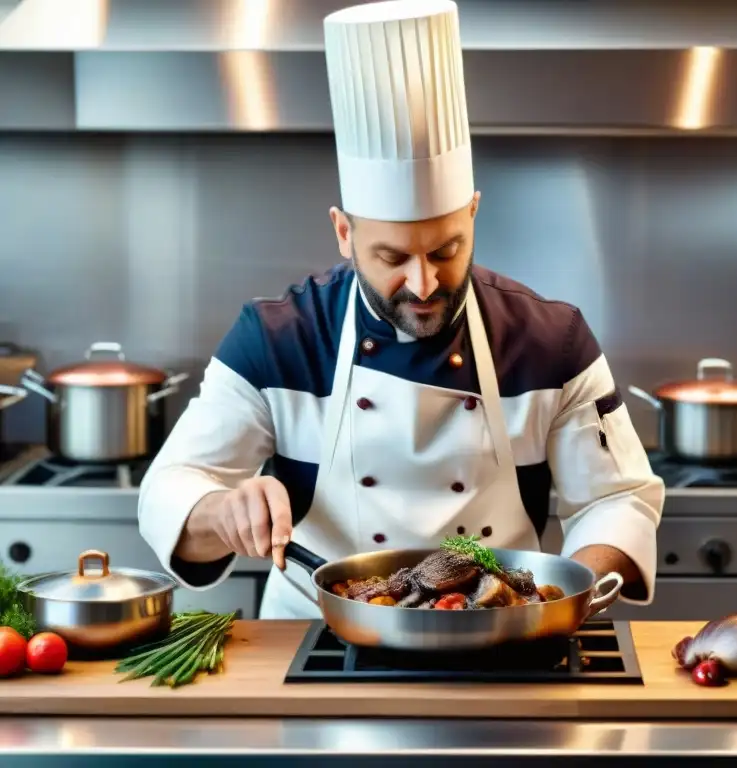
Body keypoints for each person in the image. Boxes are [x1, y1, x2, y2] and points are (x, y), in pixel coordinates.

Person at [137, 0, 664, 618]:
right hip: (317, 634)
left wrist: (559, 601)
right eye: (392, 256)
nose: (422, 283)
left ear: (472, 213)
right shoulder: (278, 338)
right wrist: (221, 511)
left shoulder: (552, 340)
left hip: (500, 633)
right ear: (343, 232)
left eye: (446, 249)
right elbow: (170, 489)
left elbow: (616, 499)